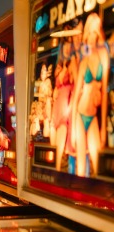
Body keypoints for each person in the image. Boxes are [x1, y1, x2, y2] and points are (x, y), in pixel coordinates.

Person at [71, 13, 109, 177]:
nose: (92, 36)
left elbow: (105, 95)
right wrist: (72, 129)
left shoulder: (103, 57)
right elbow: (75, 99)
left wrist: (103, 130)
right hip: (80, 115)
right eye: (91, 32)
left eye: (96, 31)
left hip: (92, 117)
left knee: (96, 163)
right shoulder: (84, 60)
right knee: (80, 166)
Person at [51, 27, 78, 171]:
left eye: (69, 43)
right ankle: (58, 165)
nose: (67, 47)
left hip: (66, 101)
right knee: (55, 138)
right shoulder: (60, 65)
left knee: (62, 132)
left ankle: (57, 168)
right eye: (65, 44)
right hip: (58, 103)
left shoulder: (72, 62)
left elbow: (76, 82)